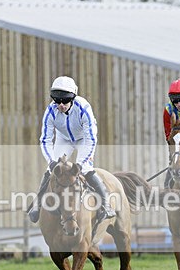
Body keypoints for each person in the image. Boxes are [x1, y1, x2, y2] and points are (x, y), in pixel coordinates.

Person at [27, 76, 115, 223]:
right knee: (51, 171)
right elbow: (45, 139)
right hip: (64, 139)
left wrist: (80, 163)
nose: (61, 105)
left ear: (73, 97)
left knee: (86, 169)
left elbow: (91, 139)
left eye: (65, 100)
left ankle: (106, 204)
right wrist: (51, 162)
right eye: (57, 100)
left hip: (84, 139)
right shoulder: (50, 111)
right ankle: (37, 204)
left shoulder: (84, 108)